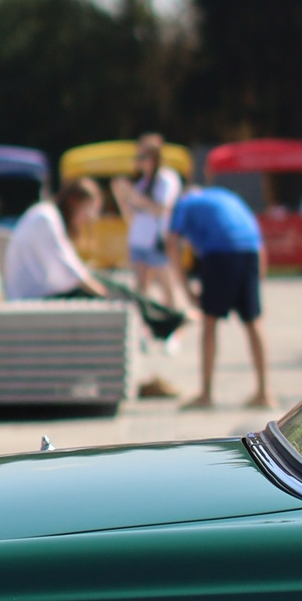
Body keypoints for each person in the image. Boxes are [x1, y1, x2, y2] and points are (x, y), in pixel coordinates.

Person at [169, 178, 270, 411]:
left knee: (210, 322)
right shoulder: (225, 196)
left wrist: (185, 289)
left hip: (220, 254)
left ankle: (206, 394)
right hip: (249, 252)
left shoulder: (183, 204)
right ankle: (264, 392)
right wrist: (259, 277)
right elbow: (256, 237)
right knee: (253, 322)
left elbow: (172, 244)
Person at [112, 134, 188, 321]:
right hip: (138, 240)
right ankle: (146, 325)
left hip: (156, 240)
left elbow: (161, 209)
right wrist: (121, 197)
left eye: (142, 157)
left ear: (154, 158)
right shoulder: (142, 183)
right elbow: (131, 217)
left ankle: (174, 322)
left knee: (166, 288)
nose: (138, 161)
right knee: (140, 290)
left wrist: (133, 196)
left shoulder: (166, 178)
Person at [4, 177, 111, 301]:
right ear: (74, 202)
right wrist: (101, 292)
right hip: (31, 296)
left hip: (36, 293)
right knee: (94, 297)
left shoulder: (49, 216)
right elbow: (66, 267)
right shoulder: (46, 218)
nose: (88, 218)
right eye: (87, 210)